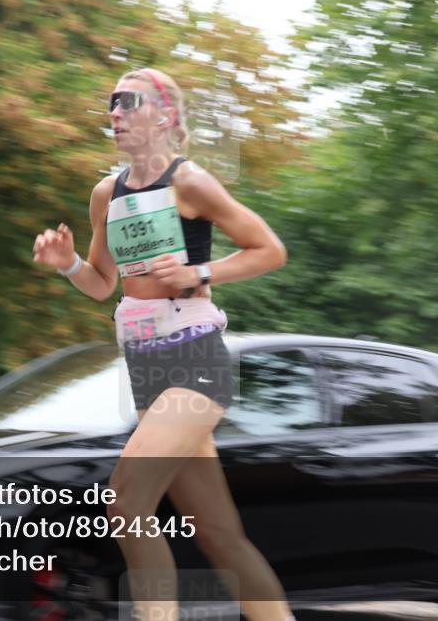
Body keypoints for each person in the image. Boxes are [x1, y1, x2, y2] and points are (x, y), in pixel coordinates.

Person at [32, 67, 292, 621]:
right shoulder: (107, 193)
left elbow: (268, 249)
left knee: (126, 500)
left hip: (196, 358)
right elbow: (103, 284)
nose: (115, 113)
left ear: (165, 115)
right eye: (111, 104)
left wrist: (199, 273)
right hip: (145, 368)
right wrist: (69, 263)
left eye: (129, 102)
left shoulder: (189, 183)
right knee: (220, 536)